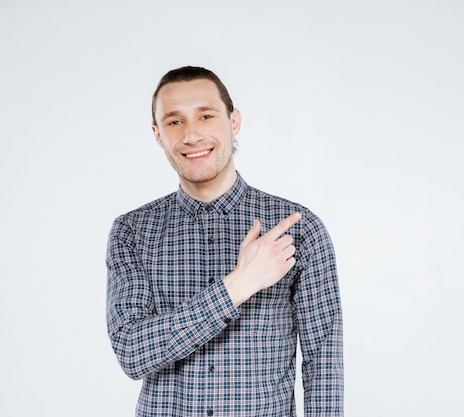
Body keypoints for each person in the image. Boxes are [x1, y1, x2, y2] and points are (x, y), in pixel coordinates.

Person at [105, 66, 344, 417]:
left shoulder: (298, 228)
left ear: (233, 121)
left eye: (205, 115)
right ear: (157, 135)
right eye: (174, 122)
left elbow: (323, 362)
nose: (191, 135)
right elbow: (132, 351)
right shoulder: (132, 231)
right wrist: (239, 284)